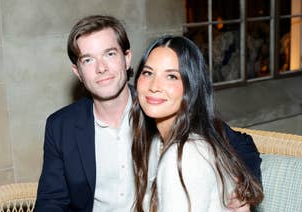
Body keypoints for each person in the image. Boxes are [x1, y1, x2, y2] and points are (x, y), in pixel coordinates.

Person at [34, 15, 261, 212]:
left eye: (110, 54)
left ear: (126, 58)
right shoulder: (61, 126)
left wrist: (242, 190)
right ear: (78, 71)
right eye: (88, 59)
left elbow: (242, 144)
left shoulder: (158, 106)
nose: (101, 67)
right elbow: (51, 201)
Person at [130, 35, 264, 212]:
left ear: (191, 87)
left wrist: (245, 188)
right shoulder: (157, 141)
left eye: (171, 76)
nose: (154, 86)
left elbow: (244, 143)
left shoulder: (185, 155)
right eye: (148, 73)